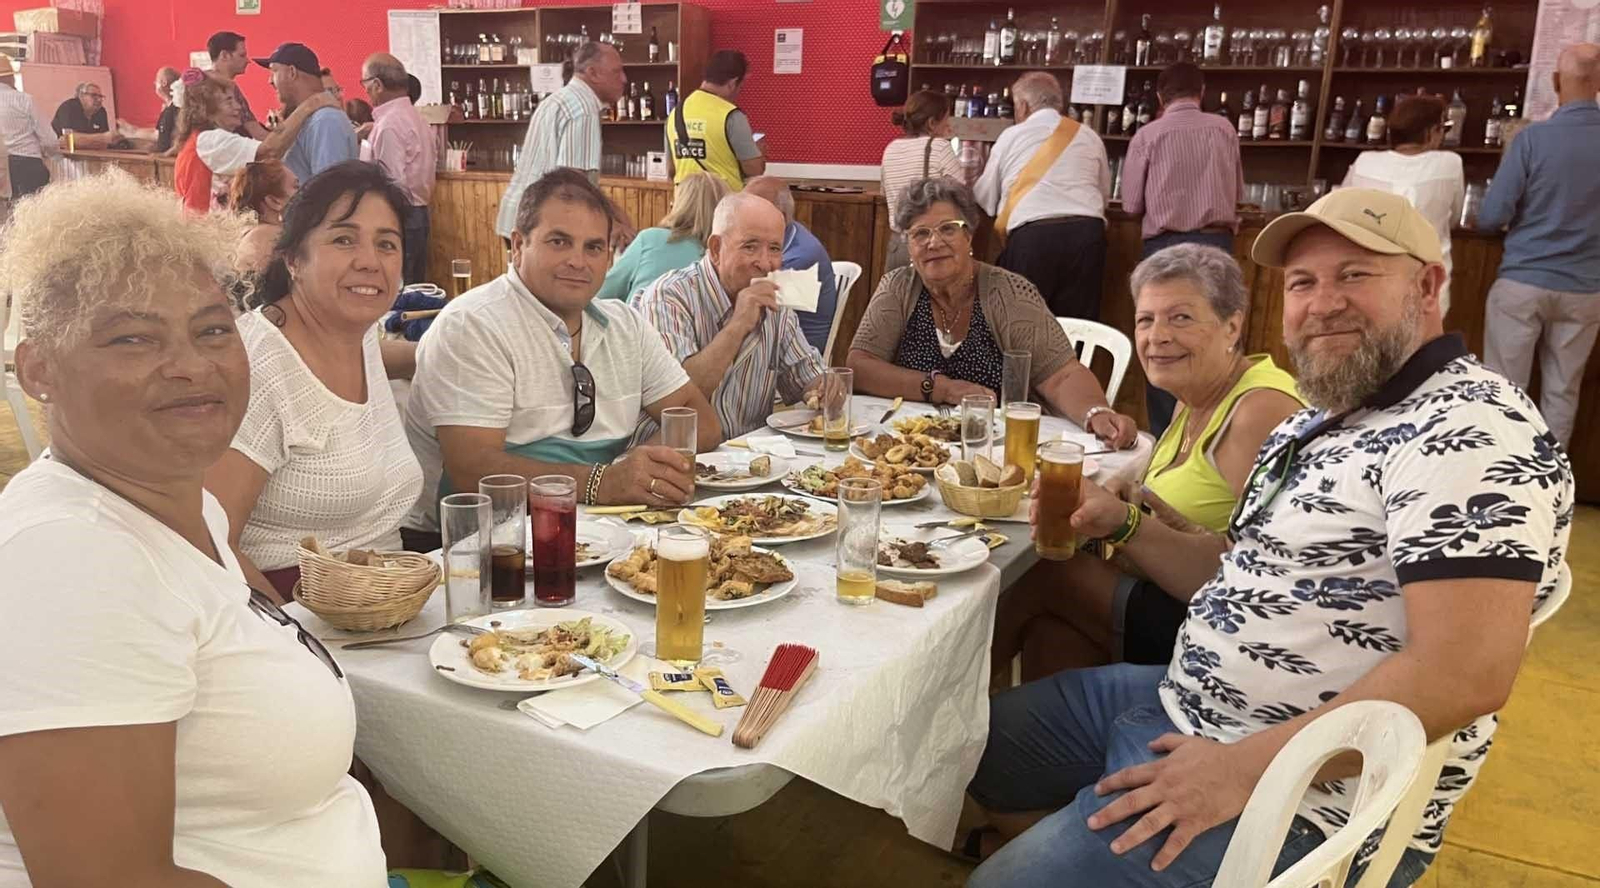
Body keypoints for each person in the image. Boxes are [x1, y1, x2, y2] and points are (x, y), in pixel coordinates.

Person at [961, 188, 1571, 888]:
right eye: (1305, 283)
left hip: (1306, 798)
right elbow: (1232, 572)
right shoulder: (1325, 419)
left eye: (1356, 275)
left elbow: (1464, 673)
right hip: (1178, 701)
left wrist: (1242, 769)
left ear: (1428, 286)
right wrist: (1119, 522)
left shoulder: (1469, 432)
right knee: (960, 746)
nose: (1323, 302)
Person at [0, 169, 388, 886]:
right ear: (38, 369)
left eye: (212, 330)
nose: (189, 366)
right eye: (132, 340)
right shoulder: (68, 558)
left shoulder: (183, 507)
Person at [990, 244, 1303, 687]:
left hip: (1216, 636)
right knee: (1055, 635)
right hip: (1164, 597)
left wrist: (1125, 522)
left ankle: (929, 721)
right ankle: (1030, 747)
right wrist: (1129, 494)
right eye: (1145, 319)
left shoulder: (1258, 411)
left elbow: (1262, 577)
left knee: (1042, 574)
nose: (1157, 336)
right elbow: (1186, 504)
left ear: (1232, 325)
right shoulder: (1193, 397)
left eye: (1181, 318)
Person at [405, 168, 721, 551]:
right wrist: (601, 481)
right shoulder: (473, 323)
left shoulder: (625, 326)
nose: (578, 261)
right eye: (559, 242)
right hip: (472, 551)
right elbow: (474, 471)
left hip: (590, 537)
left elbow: (699, 419)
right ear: (518, 245)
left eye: (593, 247)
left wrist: (646, 467)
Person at [202, 161, 422, 600]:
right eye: (343, 240)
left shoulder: (354, 335)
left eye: (387, 244)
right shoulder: (259, 367)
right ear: (293, 260)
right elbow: (208, 538)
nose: (369, 262)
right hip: (297, 611)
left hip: (388, 604)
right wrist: (295, 643)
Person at [847, 177, 1137, 449]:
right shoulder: (898, 287)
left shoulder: (1008, 293)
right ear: (908, 245)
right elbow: (860, 366)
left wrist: (1095, 412)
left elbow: (1060, 374)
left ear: (969, 236)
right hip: (910, 447)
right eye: (920, 233)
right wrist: (941, 388)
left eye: (948, 228)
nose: (934, 242)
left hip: (997, 450)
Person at [1476, 42, 1600, 450]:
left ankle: (1498, 477)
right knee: (1563, 391)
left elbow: (1492, 215)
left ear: (1554, 82)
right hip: (1586, 287)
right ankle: (1549, 486)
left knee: (1505, 389)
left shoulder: (1532, 140)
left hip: (1523, 281)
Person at [633, 192, 824, 440]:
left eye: (775, 248)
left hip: (748, 463)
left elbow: (806, 376)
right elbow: (679, 402)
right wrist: (738, 325)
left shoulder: (774, 300)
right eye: (750, 246)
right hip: (674, 459)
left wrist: (824, 388)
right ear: (715, 249)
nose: (765, 264)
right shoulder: (669, 297)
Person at [1120, 62, 1245, 437]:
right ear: (1201, 92)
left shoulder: (1148, 135)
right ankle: (1220, 438)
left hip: (1165, 247)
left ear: (1160, 97)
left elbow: (1129, 205)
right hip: (1215, 245)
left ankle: (1166, 441)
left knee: (1162, 346)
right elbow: (1238, 195)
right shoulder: (1224, 129)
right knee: (1219, 346)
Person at [975, 71, 1110, 322]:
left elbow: (985, 197)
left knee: (1021, 323)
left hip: (1034, 237)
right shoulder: (1090, 136)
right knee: (1077, 328)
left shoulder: (1012, 136)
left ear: (1023, 106)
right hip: (1087, 235)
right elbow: (1103, 195)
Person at [1343, 94, 1465, 316]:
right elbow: (1456, 216)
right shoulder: (1450, 163)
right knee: (1421, 348)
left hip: (1368, 280)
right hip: (1427, 285)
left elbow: (1339, 213)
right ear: (1430, 132)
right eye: (1442, 128)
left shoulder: (1364, 162)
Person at [495, 41, 627, 240]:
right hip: (538, 226)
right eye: (617, 72)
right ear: (593, 73)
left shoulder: (558, 99)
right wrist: (612, 224)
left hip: (518, 216)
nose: (624, 79)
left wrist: (615, 213)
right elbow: (572, 182)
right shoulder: (583, 110)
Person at [170, 74, 334, 213]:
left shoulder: (200, 139)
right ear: (207, 110)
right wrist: (310, 105)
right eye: (229, 102)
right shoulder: (209, 140)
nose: (238, 107)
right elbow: (269, 151)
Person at [362, 52, 437, 286]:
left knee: (396, 287)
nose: (364, 91)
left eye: (364, 84)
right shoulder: (416, 117)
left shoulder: (389, 125)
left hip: (399, 215)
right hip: (418, 212)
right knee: (413, 285)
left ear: (377, 85)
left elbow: (391, 184)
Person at [598, 171, 729, 302]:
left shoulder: (650, 239)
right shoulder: (725, 259)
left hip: (639, 320)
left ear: (678, 204)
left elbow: (602, 293)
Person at [743, 175, 838, 355]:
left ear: (782, 216)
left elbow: (750, 306)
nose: (742, 214)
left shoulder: (801, 257)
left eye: (752, 208)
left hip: (796, 356)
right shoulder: (786, 236)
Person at [880, 89, 963, 270]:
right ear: (932, 123)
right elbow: (963, 196)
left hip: (898, 245)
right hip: (929, 246)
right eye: (946, 121)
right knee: (932, 299)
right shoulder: (939, 147)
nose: (949, 127)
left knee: (897, 297)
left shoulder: (891, 149)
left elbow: (885, 194)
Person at [255, 42, 357, 184]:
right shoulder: (308, 118)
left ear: (292, 72)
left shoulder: (325, 121)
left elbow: (330, 191)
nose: (269, 81)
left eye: (274, 71)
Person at [665, 50, 765, 192]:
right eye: (740, 87)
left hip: (684, 203)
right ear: (733, 83)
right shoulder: (731, 115)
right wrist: (758, 153)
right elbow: (754, 170)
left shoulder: (675, 114)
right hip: (723, 206)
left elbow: (670, 170)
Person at [0, 52, 60, 199]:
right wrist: (55, 156)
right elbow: (49, 140)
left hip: (3, 168)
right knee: (33, 217)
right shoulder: (24, 100)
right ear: (10, 77)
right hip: (28, 165)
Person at [230, 158, 298, 274]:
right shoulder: (269, 236)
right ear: (274, 201)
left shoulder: (253, 234)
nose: (303, 193)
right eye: (296, 186)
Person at [205, 30, 269, 139]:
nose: (247, 61)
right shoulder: (212, 86)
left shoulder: (200, 85)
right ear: (224, 55)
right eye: (242, 55)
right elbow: (257, 133)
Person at [51, 82, 123, 150]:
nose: (99, 100)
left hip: (89, 156)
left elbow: (104, 145)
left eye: (100, 96)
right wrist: (102, 138)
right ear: (81, 96)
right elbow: (69, 140)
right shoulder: (69, 107)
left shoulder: (101, 112)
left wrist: (82, 141)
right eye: (94, 95)